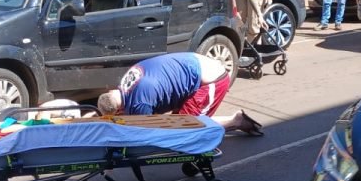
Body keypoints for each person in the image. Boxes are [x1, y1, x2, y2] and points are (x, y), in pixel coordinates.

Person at [97, 52, 263, 135]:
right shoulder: (126, 81)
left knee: (187, 126)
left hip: (211, 80)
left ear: (118, 110)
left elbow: (149, 130)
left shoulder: (141, 103)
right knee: (176, 121)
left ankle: (236, 121)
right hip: (193, 66)